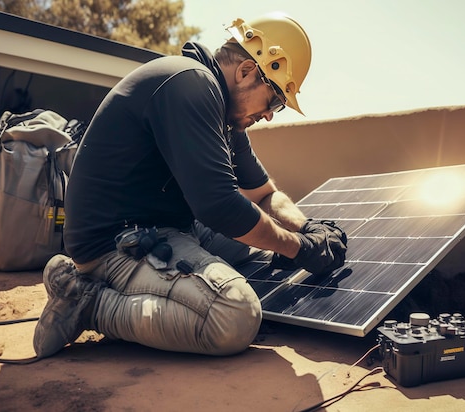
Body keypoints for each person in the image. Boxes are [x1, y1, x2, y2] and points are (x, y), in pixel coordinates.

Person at [33, 12, 348, 358]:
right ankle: (87, 301)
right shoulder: (191, 86)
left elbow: (263, 193)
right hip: (113, 243)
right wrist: (298, 248)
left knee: (264, 252)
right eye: (273, 100)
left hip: (170, 225)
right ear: (246, 72)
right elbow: (219, 207)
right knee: (236, 314)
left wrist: (307, 227)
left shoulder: (227, 119)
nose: (271, 114)